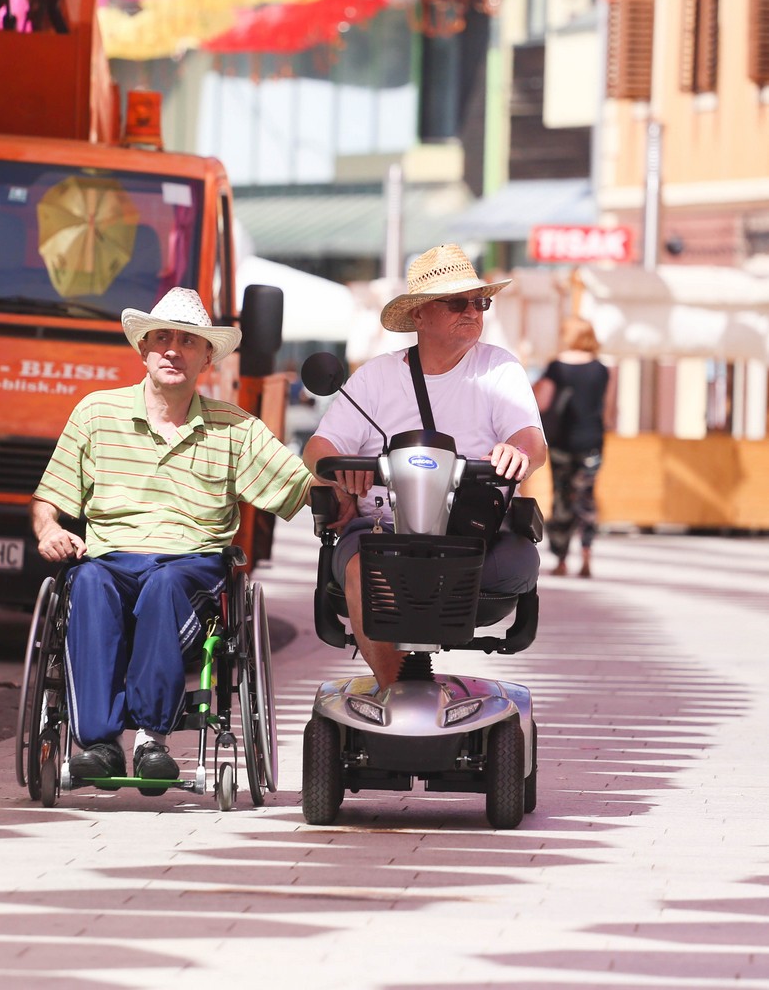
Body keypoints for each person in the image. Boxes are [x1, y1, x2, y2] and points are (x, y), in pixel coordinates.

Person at [30, 288, 315, 783]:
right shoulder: (96, 413)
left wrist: (354, 490)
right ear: (143, 349)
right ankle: (99, 743)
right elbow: (48, 498)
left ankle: (150, 738)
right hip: (111, 557)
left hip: (191, 564)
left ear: (207, 357)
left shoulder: (236, 430)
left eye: (187, 341)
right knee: (89, 583)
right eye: (161, 338)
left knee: (163, 586)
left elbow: (302, 488)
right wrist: (49, 527)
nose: (172, 350)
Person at [303, 243, 546, 690]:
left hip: (472, 534)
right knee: (362, 568)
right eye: (456, 302)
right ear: (418, 315)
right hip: (383, 531)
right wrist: (336, 475)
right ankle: (392, 691)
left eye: (479, 302)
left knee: (515, 561)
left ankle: (398, 696)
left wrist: (518, 453)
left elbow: (530, 440)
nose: (471, 311)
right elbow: (318, 448)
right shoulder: (376, 376)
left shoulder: (499, 368)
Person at [533, 315, 610, 579]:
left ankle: (561, 559)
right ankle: (587, 554)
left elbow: (542, 402)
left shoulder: (556, 367)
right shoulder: (601, 369)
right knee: (586, 498)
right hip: (592, 442)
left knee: (562, 497)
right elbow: (607, 409)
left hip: (562, 442)